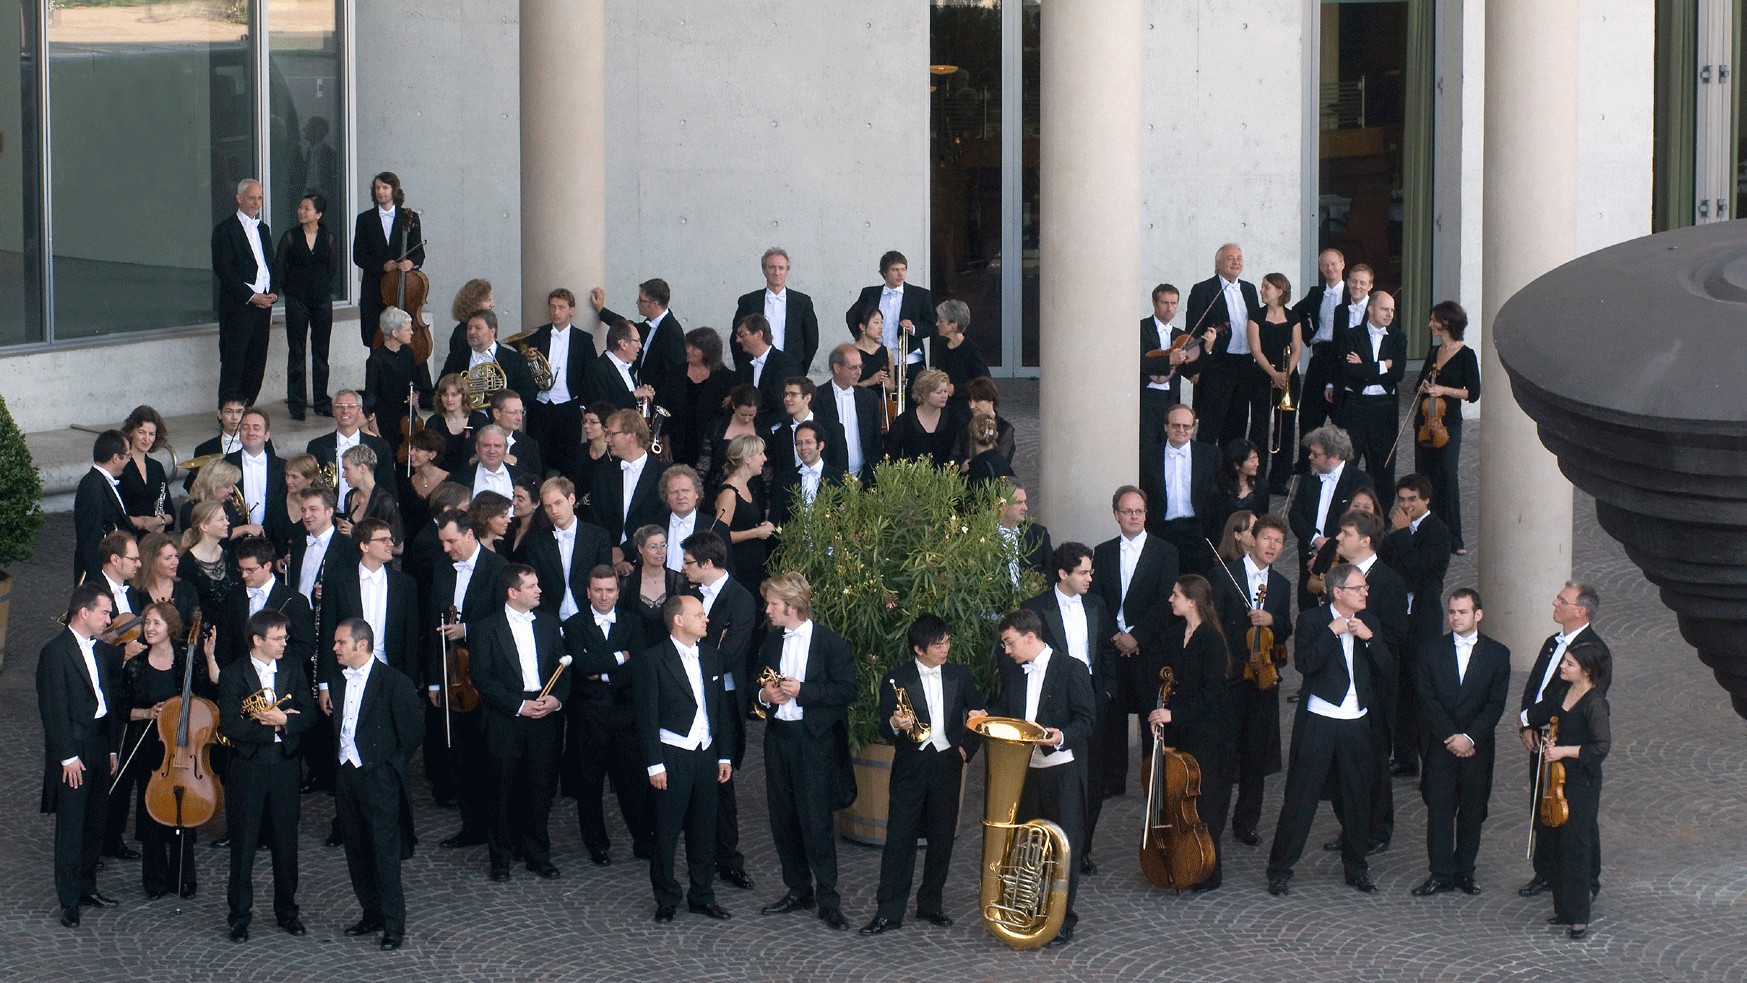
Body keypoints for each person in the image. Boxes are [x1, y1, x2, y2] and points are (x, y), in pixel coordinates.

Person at [1265, 562, 1392, 897]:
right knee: (1300, 797)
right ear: (1338, 593)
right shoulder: (1312, 621)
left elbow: (1387, 669)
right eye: (1358, 588)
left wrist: (1370, 639)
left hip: (1356, 721)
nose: (1365, 592)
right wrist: (1331, 632)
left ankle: (1356, 869)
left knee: (1356, 798)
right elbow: (1305, 664)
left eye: (1365, 588)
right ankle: (1279, 869)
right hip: (1319, 720)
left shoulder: (1370, 622)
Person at [861, 614, 983, 935]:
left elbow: (979, 715)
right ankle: (889, 911)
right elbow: (881, 727)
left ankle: (931, 904)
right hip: (910, 768)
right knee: (899, 839)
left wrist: (965, 751)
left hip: (947, 765)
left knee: (942, 839)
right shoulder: (896, 678)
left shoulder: (960, 674)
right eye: (937, 644)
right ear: (918, 648)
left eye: (946, 642)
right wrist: (893, 724)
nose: (945, 649)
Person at [981, 609, 1096, 946]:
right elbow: (1007, 709)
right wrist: (985, 713)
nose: (1006, 650)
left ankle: (1061, 921)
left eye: (1009, 642)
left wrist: (1061, 736)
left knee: (1065, 848)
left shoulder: (1071, 668)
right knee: (1026, 847)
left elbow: (1088, 720)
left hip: (1063, 770)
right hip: (1026, 772)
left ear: (1030, 637)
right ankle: (1027, 911)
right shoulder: (1016, 673)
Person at [754, 572, 857, 931]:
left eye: (773, 604)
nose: (767, 610)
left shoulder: (831, 644)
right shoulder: (770, 641)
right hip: (777, 739)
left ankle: (828, 898)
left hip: (813, 743)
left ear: (793, 607)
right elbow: (757, 687)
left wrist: (805, 691)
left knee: (816, 822)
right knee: (782, 818)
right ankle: (798, 890)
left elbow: (848, 691)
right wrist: (766, 696)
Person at [217, 608, 315, 942]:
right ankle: (239, 916)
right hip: (248, 767)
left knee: (286, 843)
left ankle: (287, 912)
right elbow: (230, 725)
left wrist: (285, 722)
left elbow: (309, 715)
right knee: (243, 844)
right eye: (278, 638)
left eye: (284, 637)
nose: (284, 643)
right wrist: (274, 726)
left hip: (285, 766)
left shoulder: (293, 668)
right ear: (257, 640)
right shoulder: (233, 674)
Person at [635, 595, 733, 922]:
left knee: (704, 829)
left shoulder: (712, 657)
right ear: (678, 620)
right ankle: (666, 899)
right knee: (665, 831)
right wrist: (654, 764)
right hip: (672, 755)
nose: (706, 619)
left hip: (706, 753)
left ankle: (702, 896)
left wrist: (725, 756)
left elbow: (721, 709)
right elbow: (646, 717)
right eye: (699, 614)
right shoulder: (653, 660)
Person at [328, 618, 424, 950]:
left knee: (385, 852)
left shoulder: (394, 682)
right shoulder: (339, 681)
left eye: (341, 642)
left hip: (379, 776)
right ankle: (371, 914)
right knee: (356, 849)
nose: (335, 648)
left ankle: (394, 925)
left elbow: (413, 731)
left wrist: (385, 763)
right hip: (346, 774)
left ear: (362, 645)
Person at [1022, 543, 1118, 874]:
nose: (1090, 578)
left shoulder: (1096, 604)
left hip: (1092, 695)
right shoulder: (1036, 608)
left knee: (1092, 780)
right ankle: (1050, 849)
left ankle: (1081, 849)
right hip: (1056, 701)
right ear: (1063, 574)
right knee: (1055, 780)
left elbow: (1107, 650)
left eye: (1090, 571)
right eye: (1083, 572)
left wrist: (1105, 692)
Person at [471, 563, 569, 881]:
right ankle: (500, 859)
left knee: (540, 788)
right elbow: (482, 679)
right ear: (513, 592)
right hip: (505, 717)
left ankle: (537, 855)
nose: (539, 590)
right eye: (532, 586)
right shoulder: (486, 628)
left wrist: (556, 700)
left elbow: (564, 671)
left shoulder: (550, 624)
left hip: (543, 716)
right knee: (500, 790)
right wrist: (518, 705)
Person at [1411, 588, 1510, 898]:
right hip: (1441, 744)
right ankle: (1439, 873)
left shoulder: (1498, 654)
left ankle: (1465, 871)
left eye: (1462, 612)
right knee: (1439, 810)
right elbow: (1426, 699)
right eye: (1452, 612)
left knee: (1472, 810)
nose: (1455, 617)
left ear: (1477, 615)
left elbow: (1495, 704)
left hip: (1476, 747)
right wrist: (1451, 737)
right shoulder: (1430, 650)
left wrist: (1469, 737)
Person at [1145, 575, 1239, 890]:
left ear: (1192, 601)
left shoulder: (1211, 638)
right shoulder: (1174, 636)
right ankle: (1177, 860)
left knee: (1203, 802)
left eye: (1175, 595)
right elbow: (1161, 679)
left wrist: (1175, 714)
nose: (1170, 600)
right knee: (1176, 798)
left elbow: (1211, 693)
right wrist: (1158, 711)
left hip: (1208, 732)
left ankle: (1206, 869)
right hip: (1179, 730)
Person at [38, 584, 124, 928]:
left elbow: (110, 703)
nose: (109, 618)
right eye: (104, 612)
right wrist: (67, 757)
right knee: (72, 827)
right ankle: (69, 900)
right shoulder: (55, 653)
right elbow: (53, 709)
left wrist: (114, 747)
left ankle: (88, 888)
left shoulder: (101, 651)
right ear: (83, 613)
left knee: (95, 823)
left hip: (101, 746)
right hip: (74, 751)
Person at [1517, 582, 1609, 901]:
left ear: (1579, 611)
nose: (1555, 602)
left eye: (1562, 600)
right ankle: (1546, 871)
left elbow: (1570, 699)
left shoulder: (1594, 651)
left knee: (1578, 816)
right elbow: (1535, 687)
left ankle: (1589, 879)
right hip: (1542, 738)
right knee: (1542, 804)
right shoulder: (1550, 643)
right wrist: (1526, 725)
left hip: (1567, 743)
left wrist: (1532, 719)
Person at [1324, 509, 1408, 856]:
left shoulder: (1388, 581)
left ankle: (1377, 829)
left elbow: (1397, 636)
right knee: (1343, 761)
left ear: (1365, 540)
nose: (1338, 539)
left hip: (1373, 686)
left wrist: (1365, 633)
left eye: (1344, 533)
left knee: (1373, 761)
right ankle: (1352, 825)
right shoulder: (1337, 575)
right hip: (1340, 683)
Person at [679, 531, 759, 891]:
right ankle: (701, 854)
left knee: (721, 780)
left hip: (722, 700)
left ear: (707, 564)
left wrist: (694, 646)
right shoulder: (689, 594)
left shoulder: (740, 599)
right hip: (689, 694)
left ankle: (727, 858)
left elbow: (730, 654)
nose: (682, 568)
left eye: (688, 563)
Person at [1208, 513, 1293, 847]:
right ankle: (1214, 818)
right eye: (1267, 539)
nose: (1272, 546)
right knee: (1225, 754)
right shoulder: (1222, 575)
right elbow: (1212, 625)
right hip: (1231, 678)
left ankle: (1246, 822)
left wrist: (1272, 619)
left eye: (1279, 542)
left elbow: (1286, 627)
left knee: (1256, 756)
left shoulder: (1283, 585)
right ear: (1253, 539)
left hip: (1263, 678)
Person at [1090, 486, 1178, 800]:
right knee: (1112, 717)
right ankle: (1113, 781)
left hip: (1149, 647)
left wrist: (1136, 636)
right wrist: (1117, 635)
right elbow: (1097, 599)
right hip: (1114, 647)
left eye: (1139, 511)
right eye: (1128, 511)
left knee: (1149, 715)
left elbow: (1165, 602)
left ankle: (1152, 779)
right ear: (1116, 515)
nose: (1134, 516)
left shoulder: (1165, 551)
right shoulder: (1102, 551)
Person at [560, 566, 652, 866]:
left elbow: (638, 666)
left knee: (634, 782)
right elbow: (583, 667)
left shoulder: (633, 622)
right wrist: (618, 657)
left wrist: (604, 671)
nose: (604, 596)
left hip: (627, 717)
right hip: (588, 718)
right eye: (597, 590)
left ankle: (643, 839)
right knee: (590, 785)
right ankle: (596, 844)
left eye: (610, 590)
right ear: (588, 592)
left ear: (618, 591)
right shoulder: (573, 625)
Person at [427, 510, 507, 850]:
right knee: (460, 755)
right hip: (453, 677)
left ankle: (498, 828)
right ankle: (470, 826)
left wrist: (468, 629)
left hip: (487, 677)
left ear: (471, 535)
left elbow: (507, 620)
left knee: (491, 756)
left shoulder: (499, 568)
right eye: (442, 542)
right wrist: (434, 680)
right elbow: (433, 624)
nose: (446, 549)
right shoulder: (442, 568)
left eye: (451, 541)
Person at [1524, 638, 1611, 940]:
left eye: (1569, 663)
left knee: (1576, 846)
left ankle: (1579, 918)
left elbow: (1600, 747)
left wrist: (1563, 751)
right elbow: (1541, 714)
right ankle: (1563, 910)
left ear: (1586, 670)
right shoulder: (1563, 691)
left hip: (1580, 784)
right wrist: (1531, 729)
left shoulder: (1594, 702)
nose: (1563, 666)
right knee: (1556, 841)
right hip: (1557, 779)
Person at [120, 603, 205, 899]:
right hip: (150, 750)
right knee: (151, 812)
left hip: (183, 748)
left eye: (156, 623)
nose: (150, 628)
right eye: (147, 624)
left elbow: (205, 696)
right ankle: (154, 880)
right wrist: (146, 712)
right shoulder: (137, 665)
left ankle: (183, 877)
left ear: (170, 627)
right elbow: (122, 710)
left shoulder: (186, 660)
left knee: (183, 813)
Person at [1384, 473, 1452, 776]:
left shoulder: (1438, 532)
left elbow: (1419, 570)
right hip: (1399, 617)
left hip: (1423, 620)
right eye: (1402, 499)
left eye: (1412, 499)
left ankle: (1429, 758)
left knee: (1422, 690)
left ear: (1426, 500)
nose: (1406, 505)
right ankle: (1404, 756)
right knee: (1400, 690)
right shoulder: (1396, 530)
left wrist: (1401, 536)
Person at [1411, 300, 1480, 554]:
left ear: (1447, 323)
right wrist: (1423, 388)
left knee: (1447, 477)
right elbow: (1419, 383)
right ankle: (1425, 532)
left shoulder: (1466, 355)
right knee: (1424, 477)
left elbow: (1473, 393)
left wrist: (1444, 391)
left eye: (1433, 320)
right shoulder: (1433, 352)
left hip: (1447, 424)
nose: (1430, 324)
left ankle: (1453, 537)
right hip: (1424, 423)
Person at [1186, 243, 1264, 455]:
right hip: (1218, 364)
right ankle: (1206, 477)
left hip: (1245, 364)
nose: (1236, 262)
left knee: (1238, 427)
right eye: (1230, 258)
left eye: (1239, 258)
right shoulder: (1203, 290)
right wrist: (1194, 367)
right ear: (1218, 263)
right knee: (1211, 426)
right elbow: (1192, 331)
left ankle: (1231, 478)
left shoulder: (1248, 289)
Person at [1288, 424, 1374, 610]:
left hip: (1341, 559)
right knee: (1307, 609)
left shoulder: (1360, 482)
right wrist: (1316, 539)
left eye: (1316, 454)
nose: (1310, 457)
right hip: (1308, 556)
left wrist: (1326, 551)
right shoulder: (1308, 477)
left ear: (1334, 457)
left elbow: (1360, 524)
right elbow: (1295, 515)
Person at [1337, 289, 1406, 504]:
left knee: (1383, 465)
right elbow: (1350, 372)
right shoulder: (1351, 335)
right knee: (1348, 462)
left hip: (1384, 407)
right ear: (1371, 309)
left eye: (1392, 310)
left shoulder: (1398, 338)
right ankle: (1343, 510)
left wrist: (1365, 366)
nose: (1389, 314)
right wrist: (1382, 366)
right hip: (1355, 405)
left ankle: (1381, 516)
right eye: (1385, 309)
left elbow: (1398, 373)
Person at [211, 178, 276, 404]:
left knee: (257, 362)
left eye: (259, 198)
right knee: (234, 363)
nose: (256, 202)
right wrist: (251, 296)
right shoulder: (224, 230)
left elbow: (270, 265)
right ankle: (229, 414)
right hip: (239, 307)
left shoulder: (264, 229)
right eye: (251, 198)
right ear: (239, 199)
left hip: (263, 307)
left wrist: (272, 293)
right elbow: (224, 271)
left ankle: (247, 411)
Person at [275, 192, 338, 420]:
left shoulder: (328, 238)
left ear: (318, 214)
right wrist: (292, 291)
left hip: (321, 300)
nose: (302, 212)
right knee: (297, 351)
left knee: (321, 352)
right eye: (300, 207)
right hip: (296, 299)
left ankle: (322, 401)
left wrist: (319, 288)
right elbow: (280, 268)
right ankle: (297, 404)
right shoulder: (290, 237)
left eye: (307, 208)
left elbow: (331, 270)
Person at [1138, 404, 1221, 576]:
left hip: (1198, 533)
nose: (1181, 430)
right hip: (1162, 532)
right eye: (1176, 425)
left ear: (1193, 428)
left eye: (1186, 426)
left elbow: (1218, 497)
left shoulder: (1210, 454)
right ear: (1166, 426)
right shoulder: (1147, 457)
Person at [526, 287, 598, 481]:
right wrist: (529, 361)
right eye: (552, 307)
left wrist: (584, 406)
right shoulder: (537, 335)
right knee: (537, 461)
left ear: (571, 310)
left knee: (569, 462)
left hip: (569, 408)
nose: (556, 312)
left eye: (561, 307)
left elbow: (590, 375)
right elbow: (525, 371)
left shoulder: (584, 340)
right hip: (540, 407)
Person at [1289, 249, 1348, 479]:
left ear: (1342, 265)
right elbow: (1296, 313)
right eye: (1325, 265)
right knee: (1309, 414)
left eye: (1334, 264)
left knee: (1339, 414)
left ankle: (1338, 461)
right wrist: (1309, 335)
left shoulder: (1350, 292)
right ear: (1320, 268)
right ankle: (1306, 462)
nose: (1330, 269)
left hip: (1341, 356)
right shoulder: (1316, 293)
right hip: (1320, 354)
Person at [522, 476, 613, 620]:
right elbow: (536, 586)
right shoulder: (536, 541)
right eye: (548, 506)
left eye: (558, 503)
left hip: (591, 619)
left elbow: (604, 581)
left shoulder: (598, 537)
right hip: (552, 621)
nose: (554, 510)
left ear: (571, 499)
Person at [352, 171, 424, 347]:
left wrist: (411, 263)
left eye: (385, 187)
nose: (380, 191)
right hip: (374, 289)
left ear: (394, 190)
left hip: (402, 286)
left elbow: (419, 252)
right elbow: (358, 256)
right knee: (375, 340)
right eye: (377, 187)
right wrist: (381, 265)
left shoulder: (410, 216)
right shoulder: (364, 219)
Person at [1246, 272, 1303, 492]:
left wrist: (1286, 375)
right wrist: (1274, 374)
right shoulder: (1256, 317)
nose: (1261, 290)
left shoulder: (1293, 316)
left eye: (1266, 287)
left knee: (1285, 430)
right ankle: (1257, 478)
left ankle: (1279, 480)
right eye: (1262, 286)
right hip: (1262, 378)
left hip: (1288, 380)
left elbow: (1297, 348)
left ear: (1279, 291)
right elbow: (1256, 351)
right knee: (1259, 429)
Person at [590, 279, 687, 407]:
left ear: (655, 304)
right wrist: (602, 311)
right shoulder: (649, 324)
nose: (637, 302)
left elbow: (675, 375)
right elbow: (626, 327)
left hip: (658, 403)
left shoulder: (672, 332)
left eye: (641, 300)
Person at [1140, 283, 1213, 443]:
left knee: (1167, 448)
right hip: (1145, 401)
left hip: (1170, 401)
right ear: (1154, 303)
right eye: (1164, 303)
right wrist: (1168, 361)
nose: (1169, 308)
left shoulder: (1181, 336)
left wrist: (1207, 350)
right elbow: (1136, 363)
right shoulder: (1140, 329)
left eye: (1173, 303)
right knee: (1145, 449)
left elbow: (1191, 372)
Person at [846, 250, 934, 381]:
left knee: (909, 400)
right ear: (884, 273)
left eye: (903, 269)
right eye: (895, 270)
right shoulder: (869, 293)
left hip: (908, 360)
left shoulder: (920, 295)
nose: (900, 274)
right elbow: (851, 316)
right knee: (877, 399)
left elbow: (931, 325)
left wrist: (914, 328)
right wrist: (862, 338)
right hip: (876, 358)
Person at [732, 247, 821, 371]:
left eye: (781, 268)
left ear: (787, 271)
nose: (776, 272)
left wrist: (800, 369)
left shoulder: (802, 302)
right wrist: (744, 367)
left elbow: (812, 339)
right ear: (764, 270)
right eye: (772, 267)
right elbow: (736, 337)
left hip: (790, 370)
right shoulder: (748, 302)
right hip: (755, 368)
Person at [592, 409, 669, 551]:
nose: (606, 439)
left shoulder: (663, 474)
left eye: (611, 434)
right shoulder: (603, 472)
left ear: (632, 435)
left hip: (647, 557)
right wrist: (610, 552)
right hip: (609, 558)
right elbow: (597, 519)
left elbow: (660, 522)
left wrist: (625, 552)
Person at [308, 391, 397, 512]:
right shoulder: (317, 446)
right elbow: (313, 490)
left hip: (368, 517)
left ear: (360, 411)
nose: (345, 411)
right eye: (339, 406)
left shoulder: (379, 446)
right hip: (331, 518)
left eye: (351, 406)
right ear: (333, 411)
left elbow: (387, 488)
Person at [813, 344, 884, 482]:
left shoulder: (869, 398)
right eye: (853, 367)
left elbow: (876, 442)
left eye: (860, 367)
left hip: (864, 478)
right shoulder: (817, 397)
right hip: (829, 479)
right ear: (837, 368)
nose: (859, 372)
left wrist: (866, 478)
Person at [439, 309, 538, 406]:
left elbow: (529, 393)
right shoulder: (455, 357)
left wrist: (501, 403)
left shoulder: (515, 360)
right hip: (463, 418)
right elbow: (440, 390)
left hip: (498, 420)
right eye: (469, 328)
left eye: (478, 328)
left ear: (492, 331)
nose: (472, 332)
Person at [363, 306, 429, 448]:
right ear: (395, 333)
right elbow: (371, 395)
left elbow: (416, 381)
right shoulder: (376, 360)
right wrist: (374, 428)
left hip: (407, 417)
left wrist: (416, 395)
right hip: (386, 421)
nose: (412, 332)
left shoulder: (408, 353)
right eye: (408, 329)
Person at [75, 430, 132, 588]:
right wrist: (98, 582)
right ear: (115, 458)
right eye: (128, 456)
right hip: (101, 577)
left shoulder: (101, 482)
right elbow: (89, 539)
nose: (129, 461)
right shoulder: (92, 486)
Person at [715, 434, 775, 585]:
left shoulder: (749, 486)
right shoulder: (729, 492)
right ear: (748, 458)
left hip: (754, 565)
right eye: (760, 454)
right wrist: (756, 533)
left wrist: (762, 527)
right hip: (739, 568)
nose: (765, 459)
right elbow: (720, 535)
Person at [178, 501, 239, 647]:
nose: (227, 523)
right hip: (205, 638)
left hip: (233, 633)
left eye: (226, 517)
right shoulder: (186, 564)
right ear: (204, 526)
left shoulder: (228, 552)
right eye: (221, 519)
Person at [674, 327, 736, 469]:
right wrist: (665, 443)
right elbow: (667, 408)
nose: (688, 350)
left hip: (709, 450)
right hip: (679, 446)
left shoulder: (728, 379)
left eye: (694, 347)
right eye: (688, 345)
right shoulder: (677, 374)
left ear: (709, 351)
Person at [654, 466, 731, 575]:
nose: (680, 496)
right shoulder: (654, 525)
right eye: (674, 492)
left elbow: (727, 572)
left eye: (686, 491)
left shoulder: (717, 528)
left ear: (697, 493)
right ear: (666, 497)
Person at [221, 408, 279, 546]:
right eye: (245, 428)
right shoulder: (225, 464)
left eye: (256, 428)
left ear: (266, 435)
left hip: (272, 544)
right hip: (234, 544)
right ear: (240, 434)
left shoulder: (281, 467)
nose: (251, 432)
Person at [770, 422, 846, 526]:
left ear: (820, 445)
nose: (803, 447)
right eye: (799, 443)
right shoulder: (783, 480)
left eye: (808, 442)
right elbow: (776, 520)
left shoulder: (839, 479)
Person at [768, 376, 848, 473]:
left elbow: (840, 469)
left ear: (807, 398)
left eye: (793, 394)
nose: (786, 399)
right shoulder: (780, 433)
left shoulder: (832, 428)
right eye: (785, 394)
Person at [887, 368, 964, 469]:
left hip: (948, 480)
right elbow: (891, 456)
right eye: (939, 392)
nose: (944, 396)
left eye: (945, 391)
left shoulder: (955, 417)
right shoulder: (904, 421)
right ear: (923, 394)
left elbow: (963, 451)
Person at [622, 525, 685, 643]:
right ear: (640, 549)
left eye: (663, 545)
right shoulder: (627, 584)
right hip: (638, 651)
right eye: (653, 547)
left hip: (671, 651)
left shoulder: (679, 581)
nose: (660, 552)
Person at [731, 314, 800, 420]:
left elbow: (777, 398)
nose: (738, 340)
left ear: (759, 334)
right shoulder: (743, 367)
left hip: (775, 429)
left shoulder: (784, 362)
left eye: (742, 335)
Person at [118, 406, 172, 535]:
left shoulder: (156, 467)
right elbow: (114, 512)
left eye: (151, 434)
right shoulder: (120, 466)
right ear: (131, 432)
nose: (147, 439)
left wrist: (159, 521)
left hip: (156, 537)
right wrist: (143, 523)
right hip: (129, 537)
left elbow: (170, 513)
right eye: (141, 432)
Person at [582, 318, 657, 411]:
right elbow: (601, 408)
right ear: (623, 344)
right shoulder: (597, 369)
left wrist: (644, 395)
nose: (640, 346)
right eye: (637, 341)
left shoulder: (627, 368)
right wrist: (635, 394)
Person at [133, 531, 201, 633]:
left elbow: (193, 628)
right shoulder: (136, 593)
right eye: (168, 558)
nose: (176, 562)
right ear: (151, 561)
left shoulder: (187, 590)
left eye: (176, 556)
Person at [338, 444, 404, 550]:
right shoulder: (350, 496)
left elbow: (398, 548)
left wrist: (356, 535)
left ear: (362, 468)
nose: (343, 475)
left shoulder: (385, 502)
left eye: (347, 469)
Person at [181, 396, 251, 493]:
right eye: (229, 412)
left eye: (239, 412)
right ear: (219, 414)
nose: (235, 417)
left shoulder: (259, 445)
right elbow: (195, 485)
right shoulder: (204, 449)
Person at [700, 386, 762, 492]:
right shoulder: (717, 428)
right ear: (734, 406)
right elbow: (704, 463)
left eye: (751, 415)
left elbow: (767, 469)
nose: (747, 419)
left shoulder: (762, 430)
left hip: (752, 490)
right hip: (719, 487)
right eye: (742, 414)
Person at [930, 299, 988, 411]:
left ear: (954, 325)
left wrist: (955, 389)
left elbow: (984, 383)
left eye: (941, 321)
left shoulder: (971, 350)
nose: (937, 324)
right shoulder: (942, 346)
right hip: (944, 405)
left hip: (965, 408)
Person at [949, 376, 1016, 469]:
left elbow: (1002, 462)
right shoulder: (964, 427)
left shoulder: (1004, 428)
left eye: (977, 401)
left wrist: (971, 464)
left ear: (990, 401)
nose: (972, 406)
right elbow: (954, 457)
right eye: (970, 401)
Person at [998, 483, 1052, 584]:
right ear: (1002, 505)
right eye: (1019, 502)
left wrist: (1037, 584)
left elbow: (1051, 571)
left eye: (1024, 502)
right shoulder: (985, 535)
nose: (1025, 507)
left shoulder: (1038, 534)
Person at [399, 429, 450, 534]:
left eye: (417, 450)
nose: (411, 452)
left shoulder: (449, 483)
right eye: (412, 448)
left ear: (432, 454)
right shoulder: (407, 483)